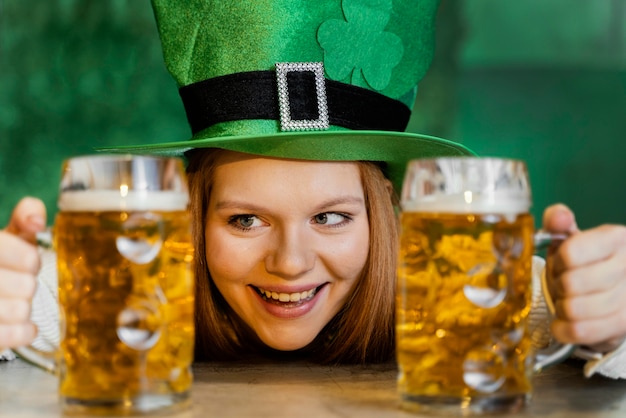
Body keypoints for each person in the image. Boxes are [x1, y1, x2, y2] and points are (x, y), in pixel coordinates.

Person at [2, 0, 626, 378]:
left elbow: (586, 322)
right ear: (191, 216)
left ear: (386, 218)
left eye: (331, 218)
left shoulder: (477, 293)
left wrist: (611, 319)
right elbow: (32, 311)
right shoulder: (106, 294)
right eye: (245, 220)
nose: (291, 263)